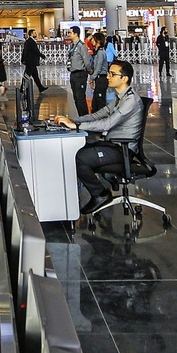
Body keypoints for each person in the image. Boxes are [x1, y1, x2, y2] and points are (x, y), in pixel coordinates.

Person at [54, 60, 144, 215]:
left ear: (125, 79)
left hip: (122, 149)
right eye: (109, 73)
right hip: (112, 145)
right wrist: (74, 120)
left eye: (113, 74)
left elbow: (107, 124)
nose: (108, 76)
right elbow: (99, 114)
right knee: (77, 150)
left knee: (79, 157)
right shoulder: (120, 97)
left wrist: (76, 127)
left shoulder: (130, 100)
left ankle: (100, 194)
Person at [67, 25, 92, 117]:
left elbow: (86, 60)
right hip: (73, 74)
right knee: (76, 98)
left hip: (80, 74)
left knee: (80, 97)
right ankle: (80, 117)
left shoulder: (81, 46)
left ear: (76, 34)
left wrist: (89, 71)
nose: (68, 34)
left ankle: (85, 117)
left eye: (70, 32)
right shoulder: (73, 46)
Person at [21, 29, 48, 93]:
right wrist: (42, 56)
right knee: (26, 76)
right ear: (31, 34)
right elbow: (35, 51)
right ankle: (22, 89)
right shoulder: (31, 42)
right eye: (34, 33)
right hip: (31, 61)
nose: (36, 34)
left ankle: (40, 88)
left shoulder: (28, 41)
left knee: (35, 76)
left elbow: (24, 51)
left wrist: (23, 59)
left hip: (30, 61)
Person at [89, 32, 108, 113]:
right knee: (96, 102)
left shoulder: (100, 52)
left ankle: (102, 120)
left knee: (100, 102)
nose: (92, 40)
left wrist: (92, 78)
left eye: (93, 39)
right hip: (98, 78)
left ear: (98, 40)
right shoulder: (97, 51)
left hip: (101, 79)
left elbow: (98, 67)